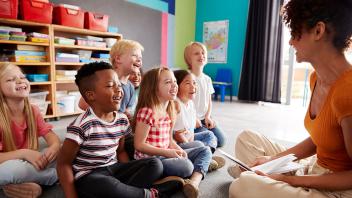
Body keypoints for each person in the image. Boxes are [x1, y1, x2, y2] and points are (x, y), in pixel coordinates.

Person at [228, 0, 352, 197]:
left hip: (336, 189)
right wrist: (273, 159)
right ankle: (260, 178)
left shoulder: (348, 91)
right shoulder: (316, 79)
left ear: (318, 31)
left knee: (240, 186)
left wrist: (290, 180)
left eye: (295, 32)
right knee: (246, 140)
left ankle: (258, 180)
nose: (290, 41)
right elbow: (320, 138)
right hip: (314, 168)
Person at [57, 62, 182, 198]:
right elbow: (63, 164)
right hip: (90, 176)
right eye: (111, 86)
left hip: (113, 169)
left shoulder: (121, 119)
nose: (119, 90)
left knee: (155, 164)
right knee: (105, 184)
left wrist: (131, 171)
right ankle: (152, 194)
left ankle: (129, 192)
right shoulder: (81, 126)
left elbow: (120, 151)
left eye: (119, 84)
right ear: (91, 95)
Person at [133, 67, 212, 198]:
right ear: (153, 87)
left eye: (175, 81)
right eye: (168, 82)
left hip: (166, 153)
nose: (174, 85)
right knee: (186, 166)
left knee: (204, 149)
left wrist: (178, 150)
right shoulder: (147, 111)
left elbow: (169, 140)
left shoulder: (169, 109)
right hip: (152, 161)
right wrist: (169, 153)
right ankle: (200, 166)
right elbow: (139, 145)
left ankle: (193, 181)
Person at [0, 62, 60, 198]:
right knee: (11, 170)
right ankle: (56, 176)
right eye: (10, 79)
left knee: (63, 150)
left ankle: (21, 183)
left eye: (22, 77)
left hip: (29, 162)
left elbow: (51, 137)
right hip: (6, 164)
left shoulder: (33, 110)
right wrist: (24, 153)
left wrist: (54, 147)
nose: (20, 81)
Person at [173, 69, 225, 171]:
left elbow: (191, 131)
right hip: (178, 144)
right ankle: (204, 158)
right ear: (177, 87)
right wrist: (191, 146)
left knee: (209, 135)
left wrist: (192, 145)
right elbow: (177, 135)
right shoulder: (176, 105)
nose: (193, 87)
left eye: (194, 83)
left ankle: (205, 156)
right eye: (187, 83)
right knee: (199, 145)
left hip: (188, 140)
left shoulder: (190, 103)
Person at [79, 39, 143, 120]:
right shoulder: (103, 79)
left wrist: (127, 114)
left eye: (140, 57)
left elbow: (126, 110)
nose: (139, 60)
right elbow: (82, 104)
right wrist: (106, 116)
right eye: (134, 55)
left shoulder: (130, 87)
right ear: (118, 59)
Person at [184, 42, 226, 147]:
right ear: (189, 59)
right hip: (192, 120)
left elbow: (209, 101)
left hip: (204, 119)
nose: (201, 56)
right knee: (211, 139)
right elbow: (184, 102)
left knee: (221, 140)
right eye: (196, 53)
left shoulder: (207, 79)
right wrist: (193, 118)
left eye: (203, 53)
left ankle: (201, 142)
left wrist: (208, 117)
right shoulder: (186, 78)